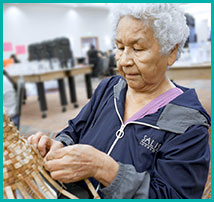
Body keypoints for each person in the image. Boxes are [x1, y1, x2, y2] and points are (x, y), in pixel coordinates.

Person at [28, 4, 210, 199]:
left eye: (137, 49)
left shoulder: (187, 124)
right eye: (120, 47)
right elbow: (75, 130)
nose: (123, 61)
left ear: (171, 52)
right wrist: (58, 145)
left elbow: (174, 195)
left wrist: (105, 169)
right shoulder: (110, 88)